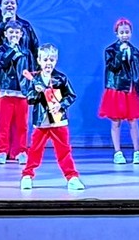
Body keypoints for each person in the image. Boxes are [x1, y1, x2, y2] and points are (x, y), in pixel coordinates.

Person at [0, 0, 39, 162]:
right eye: (6, 2)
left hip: (21, 79)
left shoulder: (25, 26)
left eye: (12, 2)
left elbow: (34, 48)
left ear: (17, 5)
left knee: (20, 118)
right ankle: (1, 149)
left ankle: (18, 150)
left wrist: (34, 75)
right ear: (0, 6)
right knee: (0, 116)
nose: (9, 5)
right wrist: (3, 25)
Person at [20, 44, 85, 191]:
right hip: (41, 123)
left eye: (51, 59)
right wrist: (36, 92)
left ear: (56, 60)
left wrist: (61, 105)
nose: (48, 63)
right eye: (45, 60)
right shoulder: (34, 78)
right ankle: (27, 176)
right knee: (35, 150)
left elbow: (71, 95)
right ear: (39, 60)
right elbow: (29, 99)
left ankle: (72, 177)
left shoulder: (61, 78)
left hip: (58, 122)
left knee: (64, 150)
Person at [99, 17, 139, 164]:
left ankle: (137, 152)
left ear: (131, 33)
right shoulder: (110, 50)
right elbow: (112, 67)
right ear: (116, 33)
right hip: (116, 89)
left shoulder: (135, 51)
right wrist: (120, 54)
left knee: (133, 121)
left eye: (127, 32)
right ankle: (117, 152)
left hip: (131, 90)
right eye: (121, 32)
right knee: (116, 122)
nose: (124, 35)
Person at [0, 19, 32, 164]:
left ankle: (22, 151)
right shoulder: (1, 50)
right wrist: (12, 49)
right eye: (11, 32)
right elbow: (2, 63)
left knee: (22, 125)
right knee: (4, 124)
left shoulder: (26, 52)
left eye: (17, 32)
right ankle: (2, 151)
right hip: (6, 91)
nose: (14, 35)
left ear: (21, 34)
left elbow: (31, 71)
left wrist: (31, 88)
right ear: (5, 34)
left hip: (21, 92)